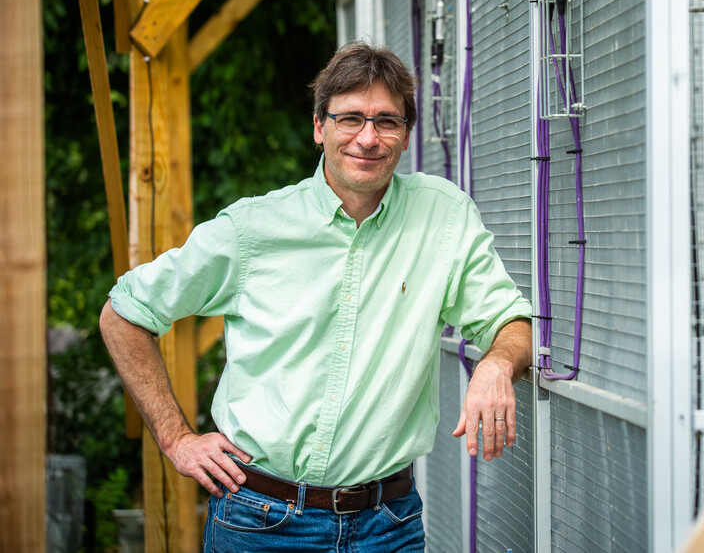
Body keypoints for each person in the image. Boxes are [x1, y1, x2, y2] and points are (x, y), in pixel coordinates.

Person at [100, 41, 533, 552]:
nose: (368, 139)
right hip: (259, 521)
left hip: (386, 525)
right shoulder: (252, 228)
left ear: (406, 134)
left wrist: (497, 365)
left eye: (387, 122)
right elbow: (124, 313)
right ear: (318, 127)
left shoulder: (443, 216)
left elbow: (511, 320)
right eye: (350, 118)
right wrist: (177, 439)